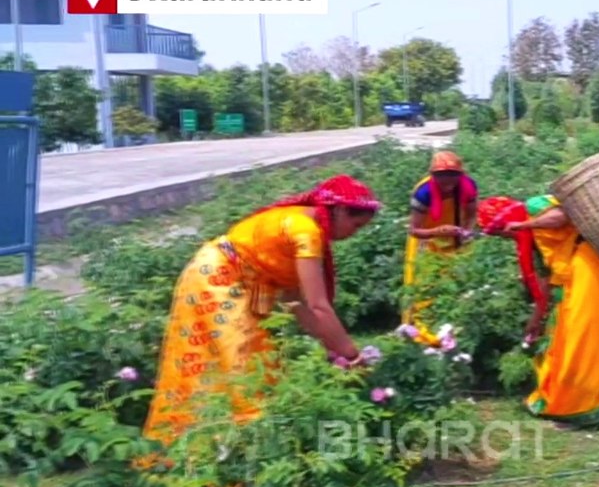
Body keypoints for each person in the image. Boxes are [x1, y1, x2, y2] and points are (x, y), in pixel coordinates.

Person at [142, 175, 381, 447]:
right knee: (241, 363)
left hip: (247, 284)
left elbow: (295, 302)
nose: (354, 233)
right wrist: (351, 354)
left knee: (263, 362)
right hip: (218, 277)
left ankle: (241, 446)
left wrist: (334, 348)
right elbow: (318, 305)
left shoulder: (304, 224)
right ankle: (226, 450)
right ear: (338, 211)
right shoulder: (306, 231)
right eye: (356, 224)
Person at [478, 194, 599, 428]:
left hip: (589, 265)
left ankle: (588, 407)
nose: (505, 236)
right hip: (573, 275)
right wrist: (536, 320)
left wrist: (525, 224)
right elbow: (544, 280)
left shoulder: (533, 207)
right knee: (569, 340)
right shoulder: (528, 240)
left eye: (502, 230)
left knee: (583, 339)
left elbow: (563, 215)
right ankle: (576, 400)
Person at [402, 150, 479, 331]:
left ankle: (455, 328)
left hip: (457, 239)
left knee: (460, 282)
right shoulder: (424, 193)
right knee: (426, 287)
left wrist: (467, 232)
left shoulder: (468, 187)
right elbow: (414, 230)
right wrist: (438, 231)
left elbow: (471, 213)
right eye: (441, 176)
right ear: (433, 176)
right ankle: (422, 330)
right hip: (427, 241)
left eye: (452, 176)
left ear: (460, 175)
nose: (447, 181)